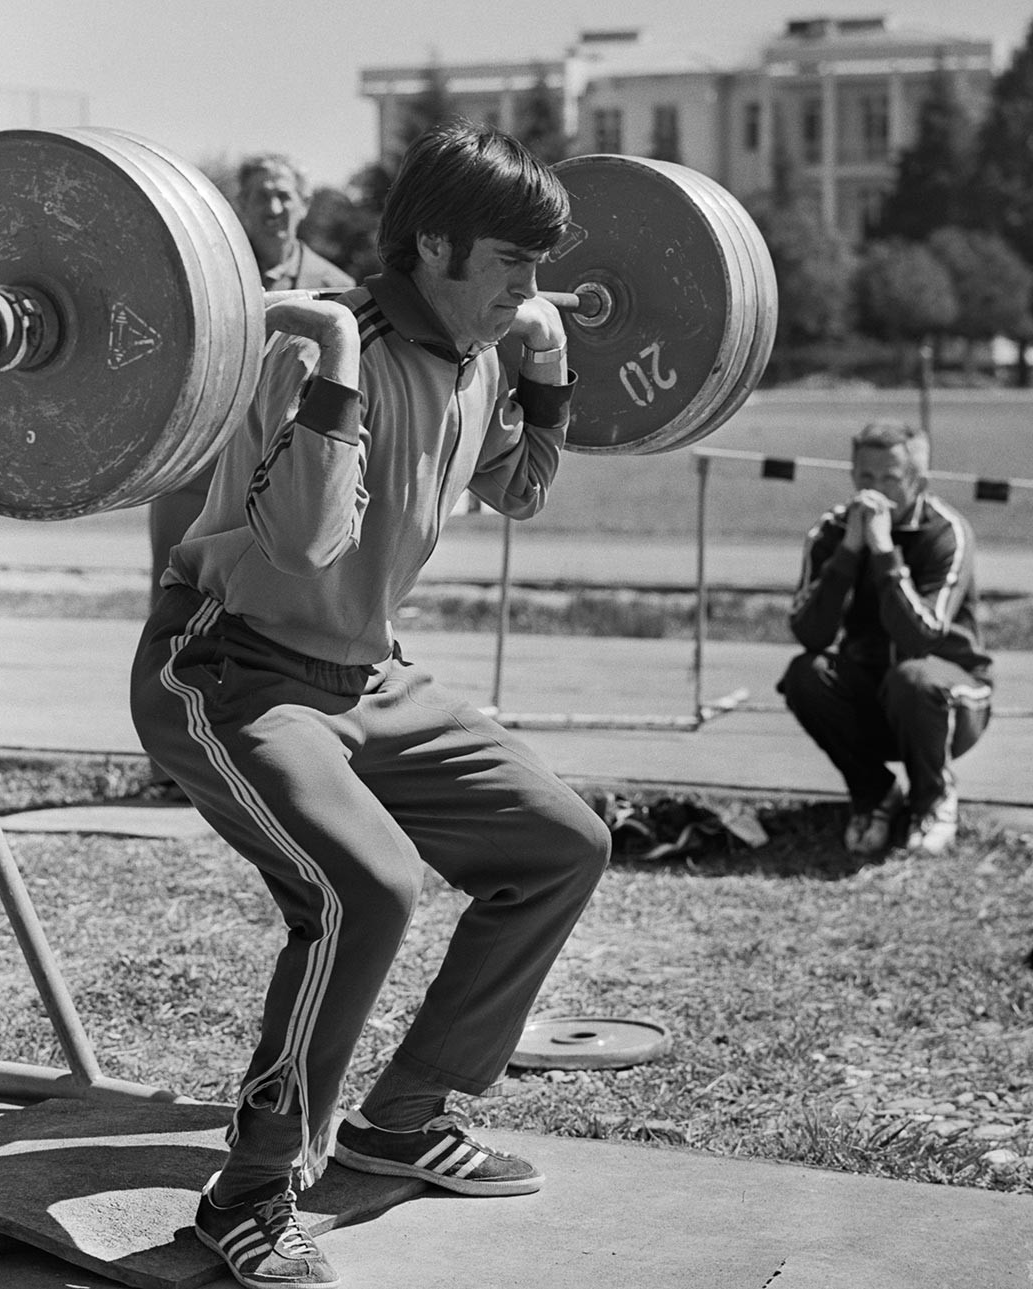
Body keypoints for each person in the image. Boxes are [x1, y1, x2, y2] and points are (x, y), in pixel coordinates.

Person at [130, 120, 611, 1289]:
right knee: (363, 887)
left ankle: (401, 1119)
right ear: (436, 245)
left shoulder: (478, 347)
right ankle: (247, 1187)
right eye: (512, 265)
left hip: (369, 675)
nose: (526, 291)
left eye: (536, 271)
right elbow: (298, 544)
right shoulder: (325, 347)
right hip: (230, 665)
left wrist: (542, 369)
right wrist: (340, 366)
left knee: (560, 845)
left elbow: (518, 489)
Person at [143, 155, 354, 798]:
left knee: (279, 613)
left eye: (285, 194)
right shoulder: (210, 271)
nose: (274, 207)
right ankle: (171, 766)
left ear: (306, 201)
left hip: (280, 474)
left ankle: (280, 761)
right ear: (242, 202)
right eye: (261, 194)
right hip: (196, 468)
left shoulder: (337, 286)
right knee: (178, 605)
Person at [777, 420, 993, 858]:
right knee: (805, 674)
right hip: (875, 695)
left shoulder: (946, 532)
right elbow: (809, 633)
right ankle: (875, 794)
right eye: (865, 477)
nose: (874, 491)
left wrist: (883, 552)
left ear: (919, 481)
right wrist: (849, 553)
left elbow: (920, 636)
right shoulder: (832, 531)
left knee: (913, 677)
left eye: (890, 479)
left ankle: (933, 800)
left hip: (950, 698)